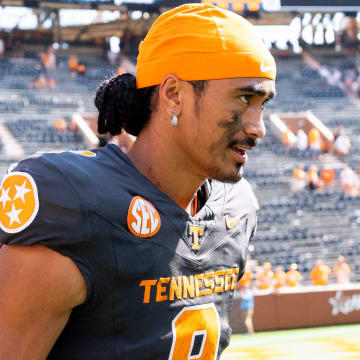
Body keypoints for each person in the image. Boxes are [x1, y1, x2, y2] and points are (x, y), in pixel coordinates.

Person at [0, 3, 276, 359]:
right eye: (244, 98)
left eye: (263, 104)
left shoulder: (236, 206)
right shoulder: (75, 203)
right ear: (174, 94)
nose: (258, 127)